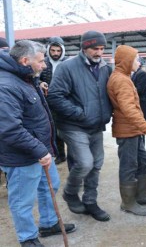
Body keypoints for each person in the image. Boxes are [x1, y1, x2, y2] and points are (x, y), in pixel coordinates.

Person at [0, 40, 76, 247]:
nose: (44, 66)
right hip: (22, 156)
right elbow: (9, 129)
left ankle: (49, 223)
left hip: (40, 150)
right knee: (22, 200)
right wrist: (39, 150)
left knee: (49, 186)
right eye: (41, 61)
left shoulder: (24, 77)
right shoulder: (6, 86)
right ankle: (28, 238)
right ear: (25, 60)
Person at [47, 30, 113, 222]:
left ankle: (91, 201)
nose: (99, 52)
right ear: (84, 47)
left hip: (96, 125)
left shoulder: (105, 68)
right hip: (73, 125)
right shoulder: (67, 67)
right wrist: (81, 114)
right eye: (95, 48)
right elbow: (55, 96)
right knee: (85, 163)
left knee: (96, 165)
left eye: (101, 49)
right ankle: (70, 192)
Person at [107, 45, 146, 216]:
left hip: (133, 130)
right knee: (129, 166)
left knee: (142, 161)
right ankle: (128, 203)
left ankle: (141, 195)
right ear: (127, 61)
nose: (139, 62)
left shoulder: (124, 77)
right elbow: (129, 109)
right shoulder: (121, 80)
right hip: (127, 131)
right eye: (136, 59)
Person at [40, 36, 68, 165]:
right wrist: (40, 82)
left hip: (65, 101)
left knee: (68, 130)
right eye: (53, 50)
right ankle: (60, 154)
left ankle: (73, 155)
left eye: (58, 50)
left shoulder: (67, 63)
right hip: (47, 103)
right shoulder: (42, 62)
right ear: (49, 50)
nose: (56, 53)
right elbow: (34, 78)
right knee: (53, 130)